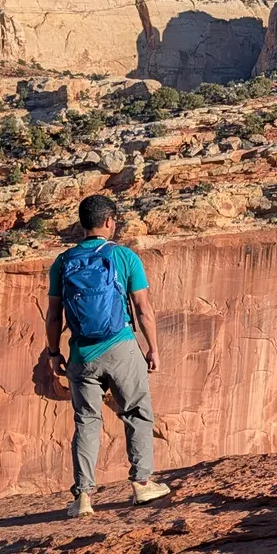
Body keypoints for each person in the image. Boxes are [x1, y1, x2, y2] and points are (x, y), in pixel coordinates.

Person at [44, 194, 170, 517]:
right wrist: (152, 348)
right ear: (110, 222)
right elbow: (143, 309)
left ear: (81, 225)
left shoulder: (62, 262)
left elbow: (54, 315)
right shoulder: (124, 257)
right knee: (137, 411)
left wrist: (54, 352)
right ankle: (142, 484)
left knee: (86, 421)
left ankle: (83, 498)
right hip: (121, 346)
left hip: (81, 353)